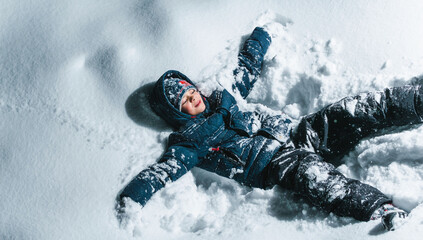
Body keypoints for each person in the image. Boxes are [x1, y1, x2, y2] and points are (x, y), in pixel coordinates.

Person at [118, 26, 423, 231]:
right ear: (175, 111)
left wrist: (260, 39)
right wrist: (133, 198)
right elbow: (161, 172)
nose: (193, 97)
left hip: (299, 131)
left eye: (189, 90)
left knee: (353, 111)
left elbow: (246, 70)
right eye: (184, 100)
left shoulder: (224, 96)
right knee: (321, 182)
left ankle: (416, 101)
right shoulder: (189, 141)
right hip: (279, 165)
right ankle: (381, 210)